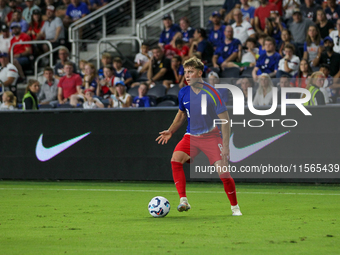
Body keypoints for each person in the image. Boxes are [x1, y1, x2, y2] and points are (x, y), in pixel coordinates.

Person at [156, 57, 242, 216]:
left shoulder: (212, 92)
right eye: (185, 72)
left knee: (223, 173)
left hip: (211, 137)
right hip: (191, 137)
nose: (187, 76)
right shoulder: (183, 92)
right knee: (175, 160)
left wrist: (226, 147)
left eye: (191, 72)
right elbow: (181, 115)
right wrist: (171, 130)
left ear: (200, 73)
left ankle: (235, 207)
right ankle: (183, 200)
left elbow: (225, 120)